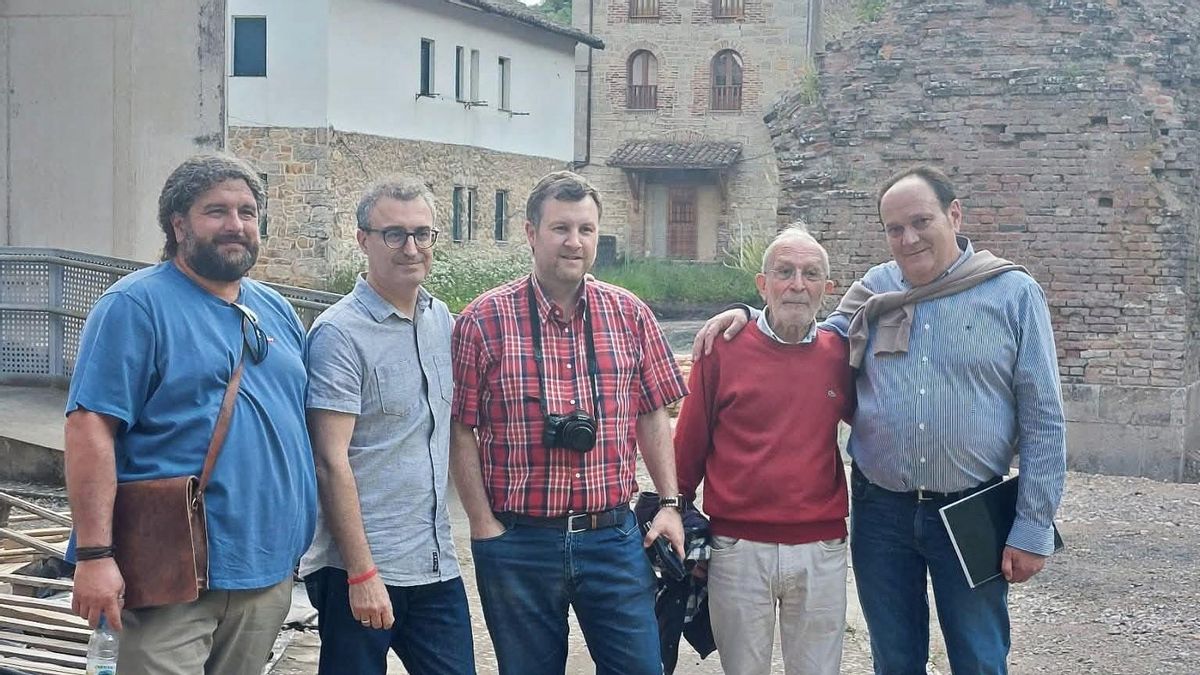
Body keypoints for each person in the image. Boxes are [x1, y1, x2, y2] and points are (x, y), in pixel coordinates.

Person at [694, 165, 1067, 675]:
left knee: (979, 657)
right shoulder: (874, 289)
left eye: (921, 221)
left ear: (953, 215)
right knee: (894, 658)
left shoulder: (1012, 293)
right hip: (882, 513)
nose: (908, 238)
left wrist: (1032, 526)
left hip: (971, 507)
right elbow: (807, 336)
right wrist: (745, 312)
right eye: (895, 229)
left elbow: (1045, 416)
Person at [64, 153, 317, 674]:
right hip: (169, 573)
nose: (236, 225)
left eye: (247, 212)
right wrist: (93, 557)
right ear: (178, 224)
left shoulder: (276, 309)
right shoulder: (136, 306)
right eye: (216, 211)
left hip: (264, 573)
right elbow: (89, 429)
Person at [449, 170, 688, 675]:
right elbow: (459, 427)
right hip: (519, 542)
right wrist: (481, 524)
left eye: (586, 229)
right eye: (560, 228)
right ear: (531, 233)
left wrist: (669, 504)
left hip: (613, 537)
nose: (574, 242)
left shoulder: (630, 315)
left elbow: (653, 413)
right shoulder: (483, 320)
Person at [298, 178, 475, 674]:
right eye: (394, 234)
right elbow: (329, 461)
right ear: (363, 240)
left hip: (434, 563)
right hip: (359, 567)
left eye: (423, 233)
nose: (411, 248)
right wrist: (362, 572)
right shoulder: (338, 334)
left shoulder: (442, 320)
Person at [675, 227, 854, 675]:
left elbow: (877, 423)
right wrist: (672, 505)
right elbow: (690, 440)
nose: (797, 284)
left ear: (827, 290)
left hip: (821, 545)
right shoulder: (722, 349)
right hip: (738, 547)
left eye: (811, 274)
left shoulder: (840, 355)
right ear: (762, 284)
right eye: (785, 272)